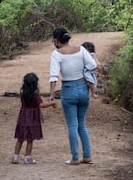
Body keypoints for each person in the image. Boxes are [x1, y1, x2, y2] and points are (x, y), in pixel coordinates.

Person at [49, 27, 97, 165]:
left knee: (72, 124)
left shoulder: (56, 54)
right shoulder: (81, 50)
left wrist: (52, 94)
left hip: (68, 89)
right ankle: (87, 155)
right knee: (81, 124)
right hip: (83, 88)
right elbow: (92, 65)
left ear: (57, 40)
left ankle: (75, 157)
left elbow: (54, 76)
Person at [12, 72, 56, 164]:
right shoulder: (36, 96)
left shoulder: (22, 93)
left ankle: (15, 156)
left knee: (20, 138)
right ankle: (27, 158)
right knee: (30, 139)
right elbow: (41, 104)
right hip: (32, 119)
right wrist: (51, 103)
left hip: (23, 118)